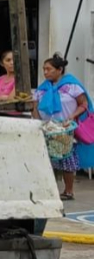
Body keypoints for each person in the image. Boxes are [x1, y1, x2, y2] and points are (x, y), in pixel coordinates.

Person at [33, 54, 94, 201]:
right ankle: (50, 190)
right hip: (47, 128)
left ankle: (68, 191)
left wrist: (72, 116)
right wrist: (38, 122)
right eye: (44, 69)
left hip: (66, 128)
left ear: (60, 69)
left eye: (49, 69)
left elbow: (83, 104)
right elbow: (34, 106)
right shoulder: (43, 88)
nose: (45, 72)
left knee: (67, 159)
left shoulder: (71, 85)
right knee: (47, 160)